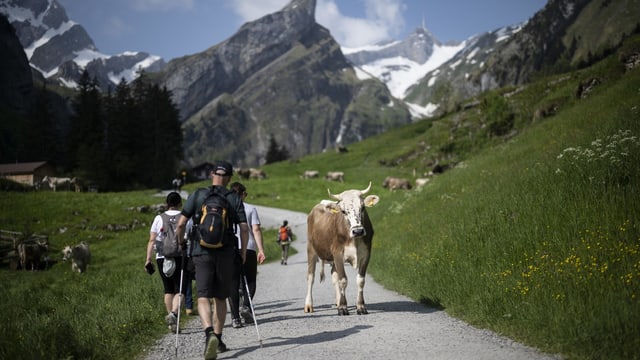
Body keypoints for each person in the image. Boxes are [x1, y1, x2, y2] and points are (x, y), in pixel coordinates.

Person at [175, 161, 249, 360]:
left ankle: (208, 334)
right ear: (230, 178)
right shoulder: (233, 198)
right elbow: (243, 228)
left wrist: (181, 243)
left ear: (211, 175)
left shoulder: (198, 195)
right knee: (220, 298)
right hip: (225, 254)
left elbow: (181, 224)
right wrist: (242, 252)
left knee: (203, 297)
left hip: (201, 252)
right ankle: (218, 336)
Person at [145, 191, 189, 333]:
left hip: (161, 257)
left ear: (167, 204)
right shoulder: (184, 217)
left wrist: (148, 259)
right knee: (180, 289)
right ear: (179, 204)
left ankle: (172, 324)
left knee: (168, 289)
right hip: (180, 255)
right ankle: (174, 314)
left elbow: (152, 240)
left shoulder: (159, 218)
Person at [228, 182, 266, 328]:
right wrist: (261, 249)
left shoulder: (226, 208)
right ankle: (246, 306)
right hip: (248, 247)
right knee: (250, 280)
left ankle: (235, 318)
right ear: (243, 194)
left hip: (230, 248)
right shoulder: (250, 209)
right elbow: (255, 230)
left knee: (233, 282)